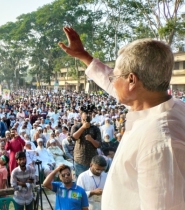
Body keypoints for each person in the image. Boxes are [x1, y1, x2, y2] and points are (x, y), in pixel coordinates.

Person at [60, 26, 185, 209]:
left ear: (132, 81)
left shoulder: (160, 141)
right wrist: (84, 56)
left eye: (115, 76)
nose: (112, 79)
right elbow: (115, 86)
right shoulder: (157, 105)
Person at [70, 110, 102, 178]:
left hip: (92, 160)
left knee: (93, 180)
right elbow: (74, 138)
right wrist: (83, 127)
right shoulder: (76, 127)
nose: (88, 115)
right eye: (86, 113)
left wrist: (91, 140)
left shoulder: (95, 128)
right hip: (80, 160)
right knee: (80, 181)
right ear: (81, 115)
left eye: (90, 113)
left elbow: (98, 145)